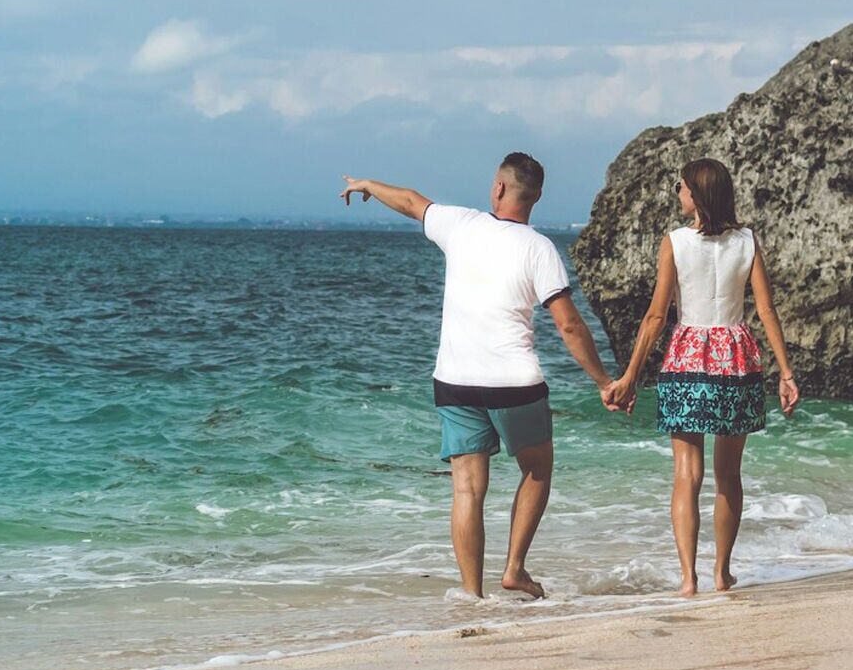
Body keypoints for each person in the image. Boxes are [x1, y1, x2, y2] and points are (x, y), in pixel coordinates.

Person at [341, 153, 617, 600]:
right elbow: (568, 324)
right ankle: (514, 569)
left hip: (455, 381)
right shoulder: (539, 248)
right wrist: (604, 381)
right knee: (537, 469)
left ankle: (472, 595)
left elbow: (410, 201)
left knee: (467, 489)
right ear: (537, 197)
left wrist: (367, 184)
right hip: (514, 384)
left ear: (499, 188)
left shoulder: (461, 225)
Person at [604, 158, 800, 597]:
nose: (677, 192)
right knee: (728, 475)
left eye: (681, 186)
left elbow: (656, 316)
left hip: (687, 356)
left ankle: (688, 578)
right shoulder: (747, 241)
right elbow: (766, 309)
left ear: (696, 193)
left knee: (686, 474)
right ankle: (721, 573)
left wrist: (630, 376)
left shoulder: (674, 242)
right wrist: (786, 373)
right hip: (735, 357)